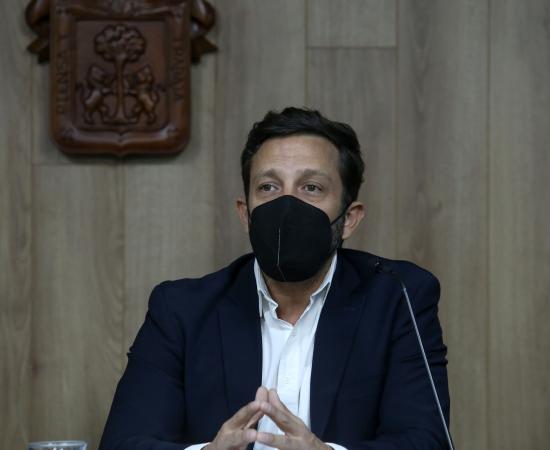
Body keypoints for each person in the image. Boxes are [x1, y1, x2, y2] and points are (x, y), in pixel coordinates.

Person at [99, 107, 450, 450]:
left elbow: (427, 441)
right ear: (245, 214)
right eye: (268, 187)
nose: (287, 206)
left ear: (349, 218)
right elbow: (122, 443)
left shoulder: (398, 298)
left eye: (311, 187)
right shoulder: (182, 311)